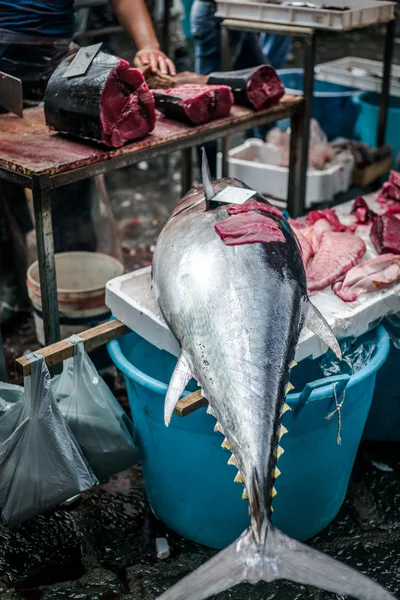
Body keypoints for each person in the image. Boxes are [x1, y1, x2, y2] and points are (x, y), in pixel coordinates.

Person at [0, 0, 176, 326]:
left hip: (57, 69)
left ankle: (77, 315)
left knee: (69, 189)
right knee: (3, 201)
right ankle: (13, 291)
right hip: (2, 73)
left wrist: (149, 45)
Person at [190, 0, 291, 175]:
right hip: (217, 13)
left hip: (239, 12)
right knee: (207, 103)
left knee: (264, 86)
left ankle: (269, 160)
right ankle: (209, 178)